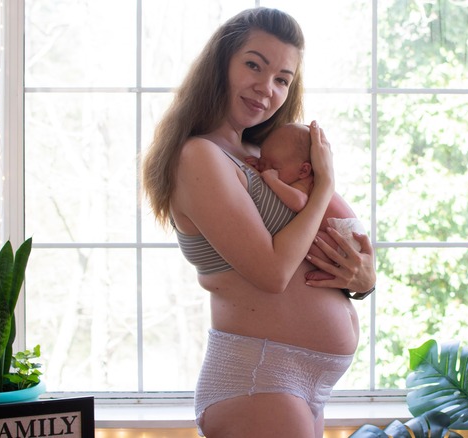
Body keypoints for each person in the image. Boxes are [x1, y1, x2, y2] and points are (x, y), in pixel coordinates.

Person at [142, 7, 376, 438]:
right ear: (221, 64)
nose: (266, 88)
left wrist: (363, 282)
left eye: (282, 79)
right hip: (260, 374)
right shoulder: (200, 156)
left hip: (298, 382)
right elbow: (271, 274)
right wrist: (324, 183)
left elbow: (339, 232)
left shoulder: (263, 152)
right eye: (254, 65)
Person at [245, 122, 367, 281]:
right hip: (347, 232)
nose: (266, 169)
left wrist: (272, 181)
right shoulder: (295, 172)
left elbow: (299, 202)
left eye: (274, 166)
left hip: (345, 238)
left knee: (307, 241)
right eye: (263, 160)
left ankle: (331, 273)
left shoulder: (305, 183)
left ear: (304, 170)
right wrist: (262, 164)